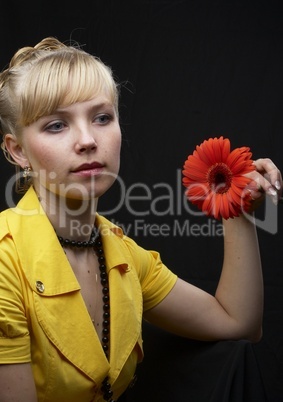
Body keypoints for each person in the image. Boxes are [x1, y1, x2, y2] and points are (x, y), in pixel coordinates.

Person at [0, 37, 281, 402]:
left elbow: (239, 323)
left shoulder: (123, 257)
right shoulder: (6, 262)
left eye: (102, 118)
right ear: (18, 150)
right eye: (56, 125)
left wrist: (237, 209)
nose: (87, 140)